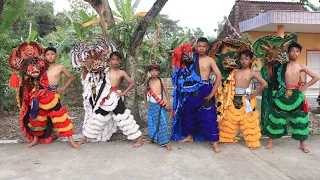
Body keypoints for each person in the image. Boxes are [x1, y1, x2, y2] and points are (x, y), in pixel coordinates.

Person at [78, 51, 143, 148]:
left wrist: (123, 93)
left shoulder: (121, 72)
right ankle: (84, 138)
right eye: (113, 59)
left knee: (124, 118)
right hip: (105, 98)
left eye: (117, 60)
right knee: (97, 117)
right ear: (109, 60)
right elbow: (93, 76)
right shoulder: (105, 70)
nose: (115, 62)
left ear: (120, 61)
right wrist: (87, 65)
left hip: (116, 97)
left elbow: (132, 83)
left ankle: (139, 139)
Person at [265, 42, 319, 153]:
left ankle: (303, 145)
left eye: (297, 51)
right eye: (292, 51)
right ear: (288, 52)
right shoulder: (282, 66)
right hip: (282, 94)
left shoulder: (301, 66)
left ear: (299, 53)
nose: (294, 53)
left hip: (296, 95)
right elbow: (272, 70)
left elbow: (316, 77)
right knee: (276, 117)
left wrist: (304, 87)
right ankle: (270, 142)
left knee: (299, 119)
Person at [172, 37, 223, 153]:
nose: (201, 48)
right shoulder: (191, 58)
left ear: (207, 47)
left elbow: (219, 76)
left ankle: (215, 143)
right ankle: (190, 136)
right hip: (190, 90)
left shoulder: (210, 60)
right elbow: (179, 56)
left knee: (209, 116)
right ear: (196, 47)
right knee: (189, 114)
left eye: (203, 46)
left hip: (205, 89)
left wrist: (212, 92)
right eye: (199, 46)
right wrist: (184, 47)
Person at [218, 49, 267, 149]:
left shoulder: (252, 73)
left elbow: (264, 84)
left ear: (250, 60)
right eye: (242, 59)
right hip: (233, 98)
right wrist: (234, 56)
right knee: (229, 119)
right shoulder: (235, 71)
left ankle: (253, 142)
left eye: (246, 59)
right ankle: (224, 138)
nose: (244, 61)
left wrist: (254, 95)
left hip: (246, 100)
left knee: (249, 121)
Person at [143, 64, 173, 151]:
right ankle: (152, 139)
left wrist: (168, 102)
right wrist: (146, 103)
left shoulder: (161, 80)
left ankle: (166, 143)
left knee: (162, 124)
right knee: (151, 123)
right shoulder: (148, 81)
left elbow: (166, 93)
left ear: (158, 72)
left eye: (155, 71)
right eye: (152, 71)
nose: (154, 72)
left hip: (159, 105)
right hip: (151, 105)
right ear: (150, 72)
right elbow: (144, 92)